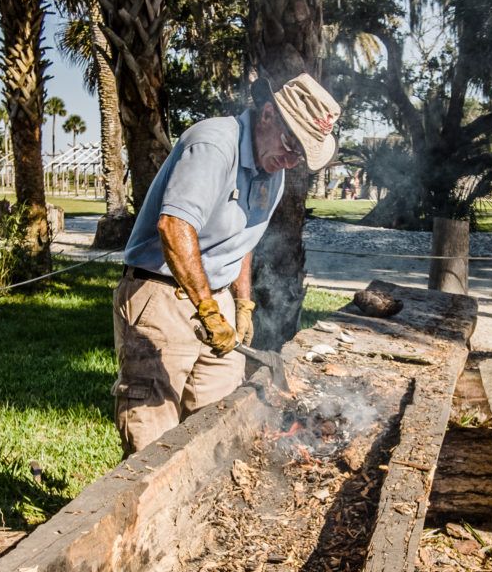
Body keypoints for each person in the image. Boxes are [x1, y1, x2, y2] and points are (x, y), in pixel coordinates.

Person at [112, 73, 341, 457]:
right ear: (267, 114)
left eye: (299, 154)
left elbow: (243, 240)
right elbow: (175, 225)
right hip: (162, 295)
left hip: (218, 302)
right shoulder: (214, 145)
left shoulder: (275, 172)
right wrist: (205, 308)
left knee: (216, 425)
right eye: (290, 143)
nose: (290, 159)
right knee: (152, 430)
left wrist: (242, 305)